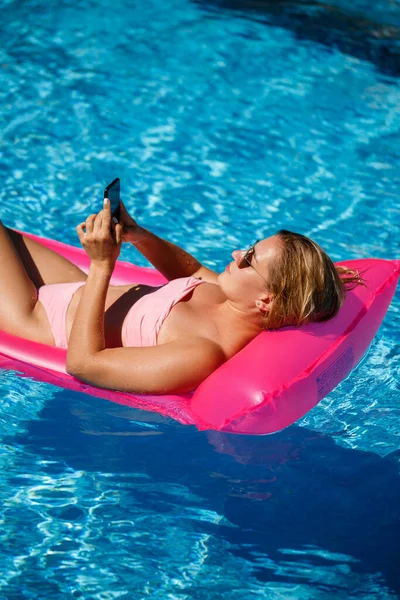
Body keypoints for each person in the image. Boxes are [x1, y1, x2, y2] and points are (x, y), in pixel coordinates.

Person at [0, 199, 362, 394]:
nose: (237, 253)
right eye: (250, 247)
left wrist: (101, 266)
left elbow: (84, 365)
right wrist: (137, 234)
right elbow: (189, 271)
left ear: (266, 301)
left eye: (250, 259)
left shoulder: (200, 354)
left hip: (34, 318)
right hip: (74, 291)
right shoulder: (225, 297)